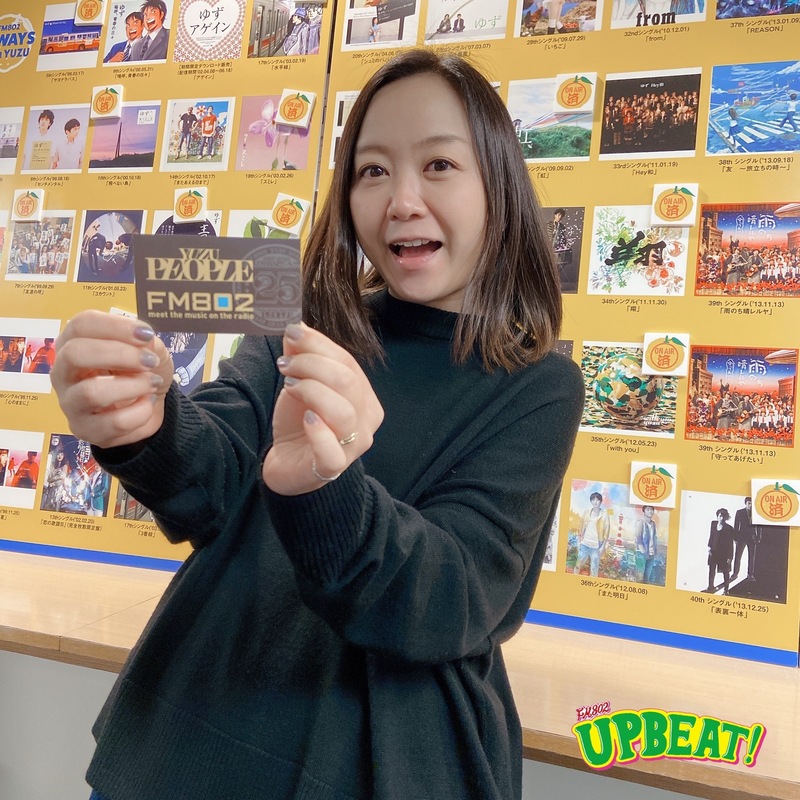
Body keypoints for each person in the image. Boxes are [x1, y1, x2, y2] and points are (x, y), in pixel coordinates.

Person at [52, 49, 583, 800]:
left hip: (384, 755)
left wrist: (330, 487)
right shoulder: (301, 317)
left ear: (499, 182)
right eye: (372, 170)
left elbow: (452, 598)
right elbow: (214, 479)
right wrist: (145, 423)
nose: (401, 200)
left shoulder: (540, 385)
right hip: (192, 728)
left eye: (439, 165)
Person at [573, 492, 610, 577]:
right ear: (591, 501)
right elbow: (581, 527)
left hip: (596, 547)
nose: (595, 502)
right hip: (585, 544)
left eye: (597, 500)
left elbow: (606, 532)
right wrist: (579, 541)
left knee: (594, 569)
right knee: (578, 565)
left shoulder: (604, 515)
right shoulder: (586, 512)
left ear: (600, 501)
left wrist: (603, 546)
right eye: (593, 500)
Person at [705, 508, 734, 594]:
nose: (721, 518)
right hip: (713, 552)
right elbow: (711, 536)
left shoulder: (729, 528)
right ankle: (710, 586)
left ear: (726, 518)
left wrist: (730, 557)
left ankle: (726, 590)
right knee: (711, 570)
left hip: (723, 554)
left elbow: (730, 544)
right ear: (717, 516)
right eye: (720, 516)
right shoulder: (713, 524)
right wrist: (709, 546)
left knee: (725, 572)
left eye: (723, 516)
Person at [732, 496, 759, 582]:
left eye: (752, 504)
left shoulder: (756, 513)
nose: (750, 505)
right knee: (738, 556)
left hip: (752, 538)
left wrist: (758, 537)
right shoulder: (740, 512)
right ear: (746, 503)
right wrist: (735, 538)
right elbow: (736, 525)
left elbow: (759, 526)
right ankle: (735, 573)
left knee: (752, 557)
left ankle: (750, 574)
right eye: (749, 503)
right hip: (741, 537)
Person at [635, 505, 658, 584]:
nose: (650, 511)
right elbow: (638, 537)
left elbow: (654, 537)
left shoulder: (653, 523)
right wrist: (643, 550)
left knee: (647, 578)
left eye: (651, 510)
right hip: (641, 553)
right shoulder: (640, 522)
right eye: (648, 509)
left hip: (651, 553)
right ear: (644, 511)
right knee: (639, 578)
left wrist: (655, 550)